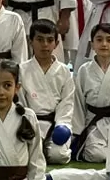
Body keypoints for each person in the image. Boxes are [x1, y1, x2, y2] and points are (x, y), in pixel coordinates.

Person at [72, 23, 110, 162]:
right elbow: (78, 103)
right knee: (96, 155)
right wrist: (77, 132)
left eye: (109, 40)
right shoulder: (84, 70)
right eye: (99, 40)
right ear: (92, 45)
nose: (104, 44)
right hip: (95, 124)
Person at [20, 19, 75, 165]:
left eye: (50, 40)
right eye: (39, 40)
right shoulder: (21, 70)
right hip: (30, 123)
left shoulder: (64, 71)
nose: (45, 44)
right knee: (23, 156)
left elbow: (67, 102)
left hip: (55, 123)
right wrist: (25, 124)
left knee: (59, 156)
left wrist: (62, 125)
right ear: (31, 42)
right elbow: (20, 102)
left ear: (56, 44)